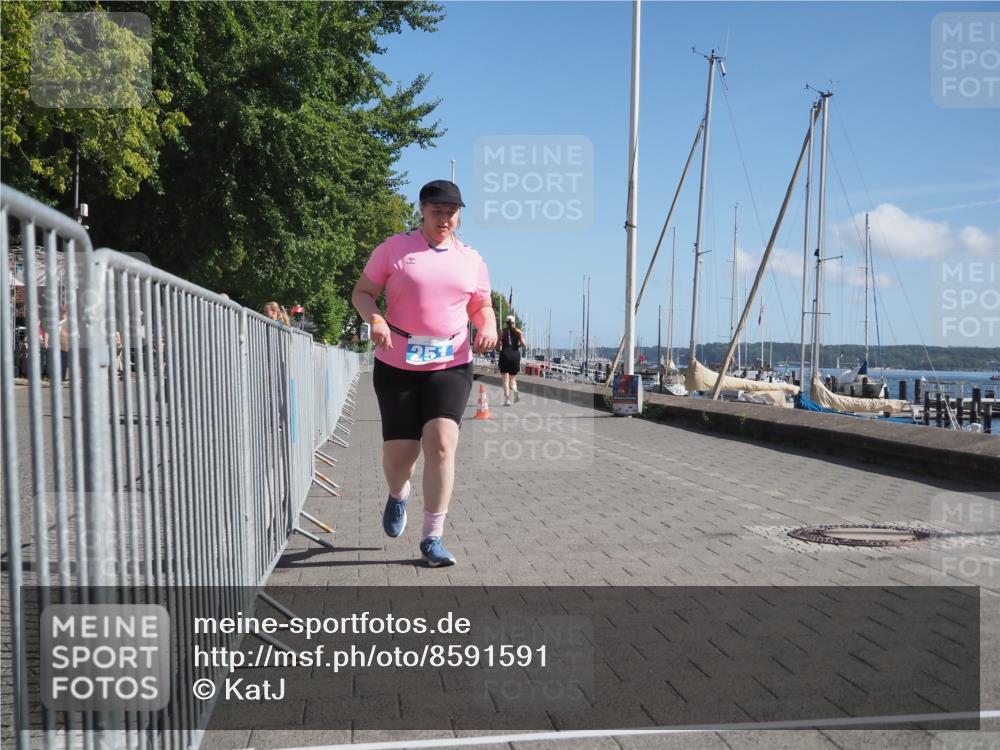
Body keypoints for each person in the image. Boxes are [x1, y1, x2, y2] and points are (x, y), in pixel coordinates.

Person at [351, 179, 497, 567]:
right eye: (437, 212)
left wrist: (488, 326)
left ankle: (432, 538)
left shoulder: (472, 259)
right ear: (422, 210)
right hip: (396, 360)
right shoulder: (394, 249)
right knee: (401, 457)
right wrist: (376, 320)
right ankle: (398, 495)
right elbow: (362, 293)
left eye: (451, 213)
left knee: (442, 443)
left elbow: (482, 305)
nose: (444, 220)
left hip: (450, 361)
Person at [497, 314, 526, 405]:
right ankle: (515, 391)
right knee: (512, 378)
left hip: (505, 353)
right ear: (514, 323)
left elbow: (497, 345)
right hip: (515, 354)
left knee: (505, 379)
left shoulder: (501, 332)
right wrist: (517, 346)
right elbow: (523, 344)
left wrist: (499, 349)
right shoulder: (518, 332)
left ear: (506, 322)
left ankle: (507, 400)